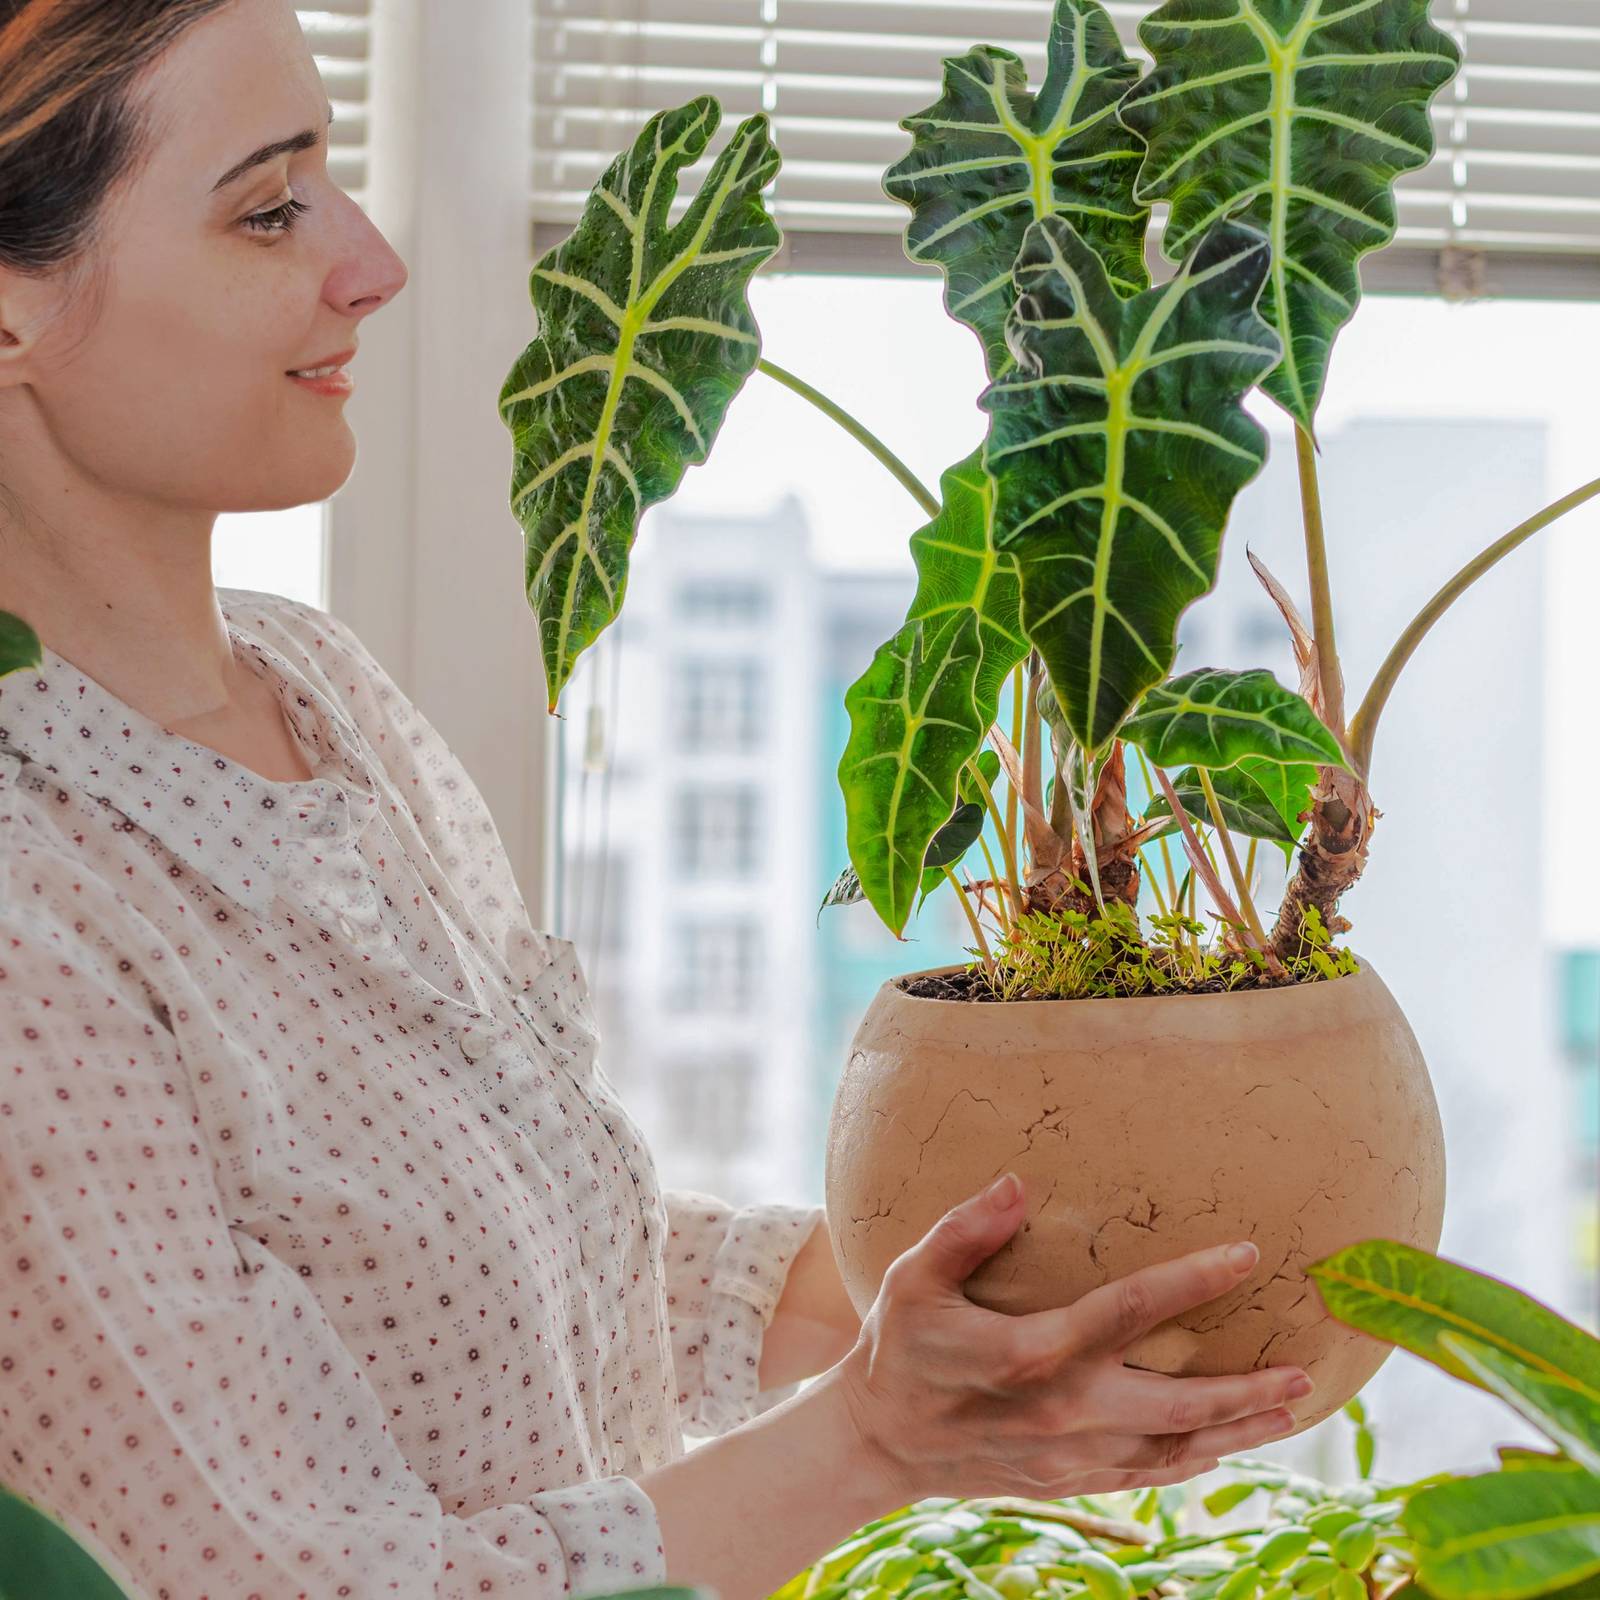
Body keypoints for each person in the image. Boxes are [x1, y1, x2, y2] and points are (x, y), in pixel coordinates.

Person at [0, 3, 1313, 1597]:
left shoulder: (323, 695)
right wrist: (877, 1441)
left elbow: (468, 1268)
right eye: (271, 210)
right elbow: (283, 1579)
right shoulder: (30, 901)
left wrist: (915, 1305)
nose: (372, 261)